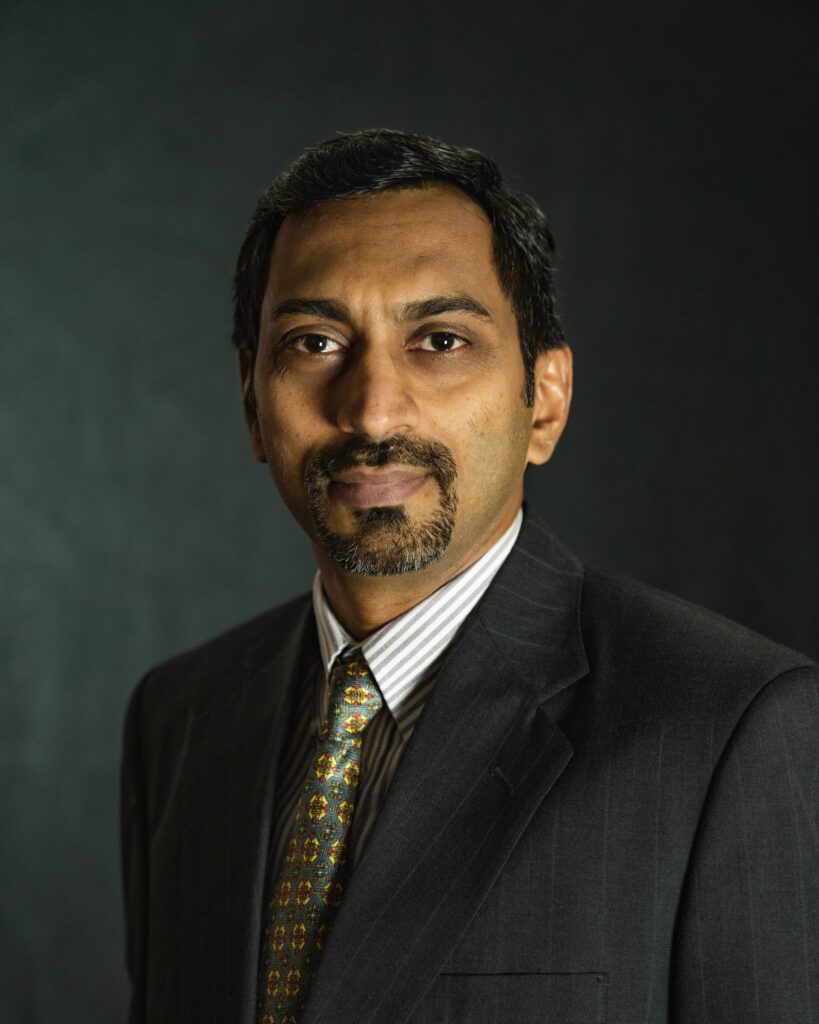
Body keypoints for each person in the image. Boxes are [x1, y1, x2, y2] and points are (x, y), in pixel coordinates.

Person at [120, 129, 818, 1024]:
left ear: (545, 400)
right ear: (252, 406)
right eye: (315, 342)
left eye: (440, 339)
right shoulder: (180, 721)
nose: (371, 407)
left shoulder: (730, 729)